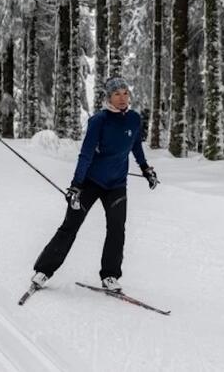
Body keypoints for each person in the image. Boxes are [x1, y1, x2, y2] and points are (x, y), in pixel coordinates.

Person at [30, 77, 158, 292]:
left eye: (125, 93)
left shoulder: (134, 119)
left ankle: (110, 276)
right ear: (108, 97)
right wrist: (76, 185)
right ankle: (43, 271)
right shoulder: (99, 120)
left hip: (117, 184)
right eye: (117, 94)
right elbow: (86, 154)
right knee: (70, 226)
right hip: (90, 182)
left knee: (117, 230)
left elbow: (136, 146)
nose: (122, 98)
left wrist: (146, 169)